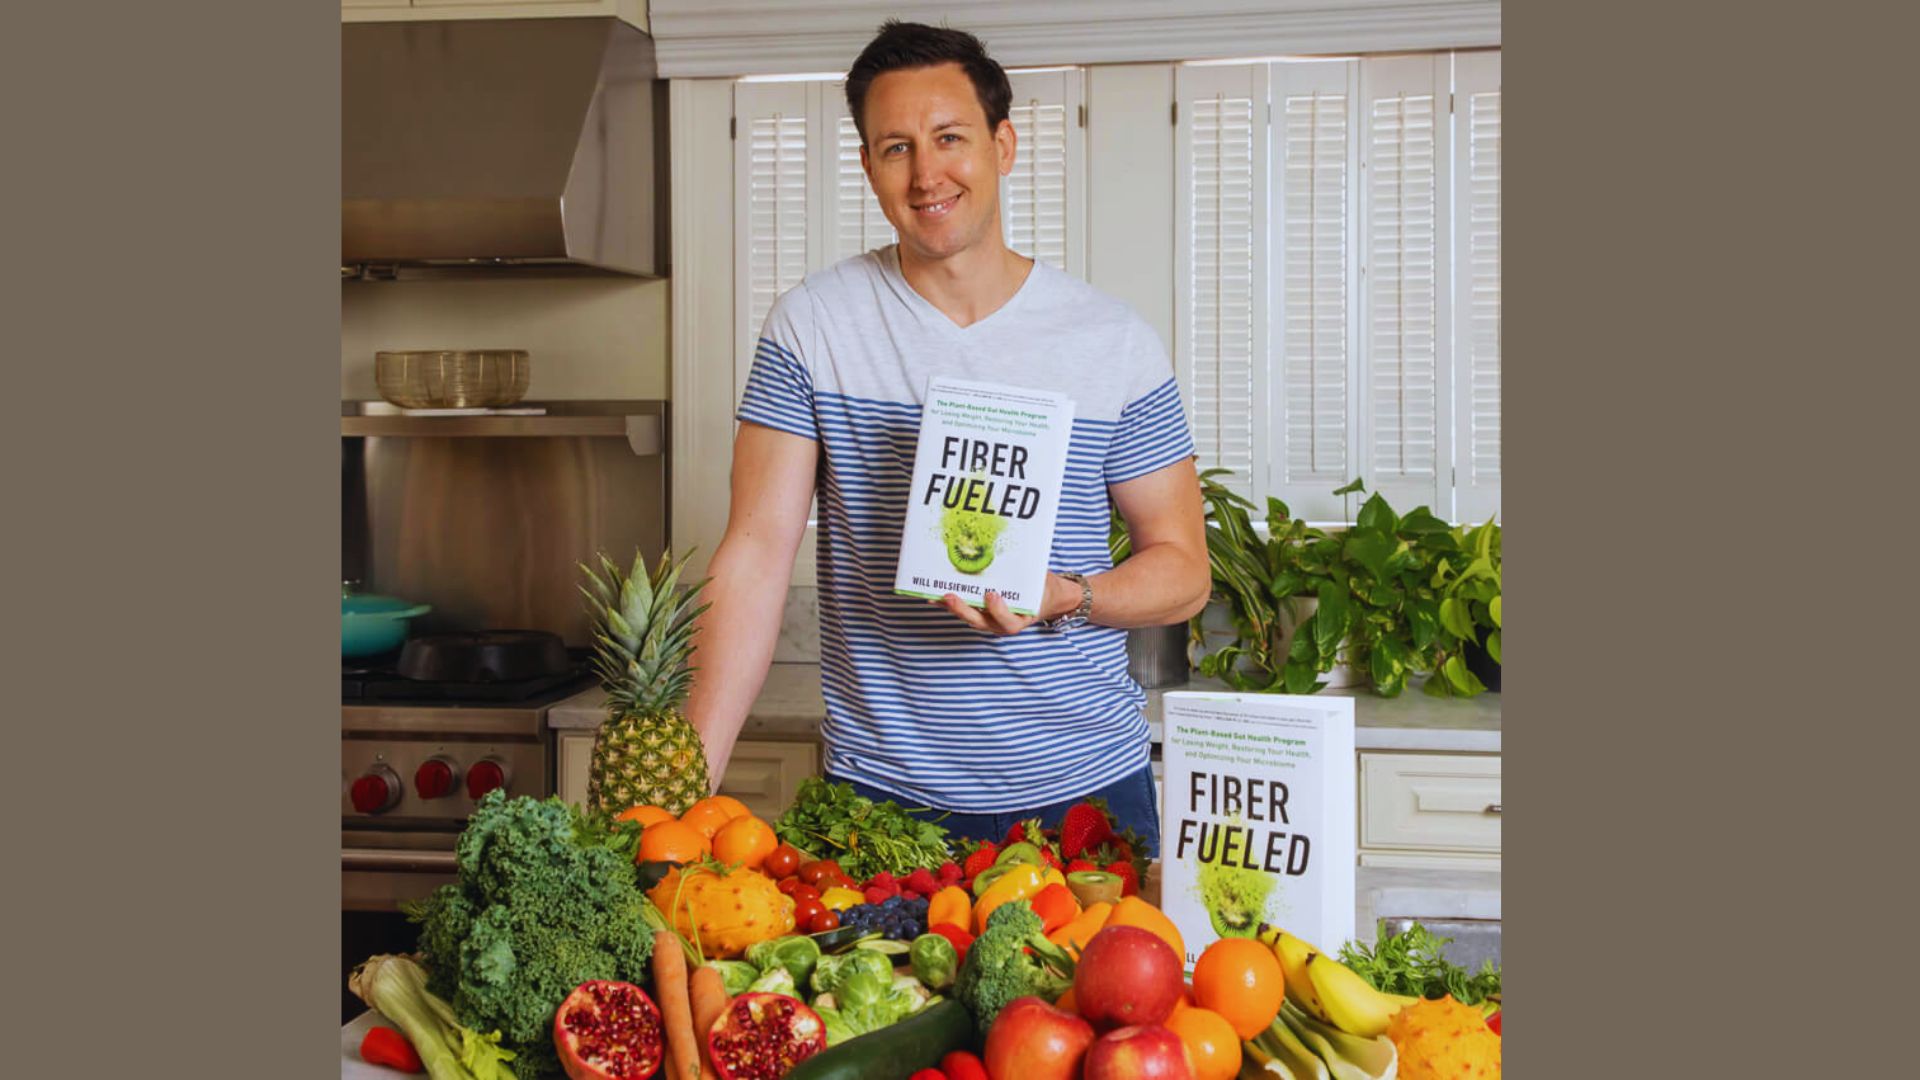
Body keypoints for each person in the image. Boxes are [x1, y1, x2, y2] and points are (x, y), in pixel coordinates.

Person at [686, 20, 1210, 857]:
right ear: (866, 165)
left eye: (949, 138)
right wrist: (687, 786)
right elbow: (753, 553)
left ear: (1003, 146)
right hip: (880, 801)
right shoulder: (814, 327)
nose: (926, 173)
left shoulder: (1112, 342)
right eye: (895, 147)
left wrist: (1065, 594)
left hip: (1088, 791)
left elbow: (1184, 572)